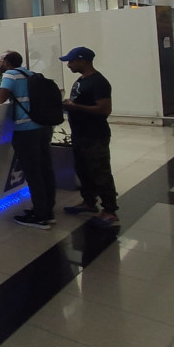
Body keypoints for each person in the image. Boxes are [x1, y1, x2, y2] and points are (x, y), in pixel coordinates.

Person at [0, 50, 58, 229]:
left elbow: (0, 99)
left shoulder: (10, 75)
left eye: (0, 60)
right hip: (42, 127)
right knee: (45, 169)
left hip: (26, 130)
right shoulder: (30, 74)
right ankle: (48, 212)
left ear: (8, 62)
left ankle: (40, 216)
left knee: (33, 172)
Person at [60, 47, 119, 229]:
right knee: (83, 170)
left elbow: (104, 109)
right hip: (80, 134)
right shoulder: (80, 81)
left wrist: (76, 107)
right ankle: (88, 202)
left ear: (83, 60)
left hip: (95, 135)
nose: (68, 65)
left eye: (71, 61)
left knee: (100, 172)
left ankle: (110, 210)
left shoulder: (99, 82)